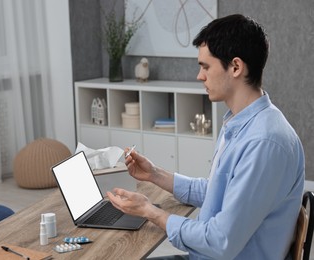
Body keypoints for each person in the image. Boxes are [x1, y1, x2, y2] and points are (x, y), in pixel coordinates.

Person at [107, 14, 305, 260]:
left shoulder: (263, 143)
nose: (200, 76)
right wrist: (154, 175)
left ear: (235, 67)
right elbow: (217, 193)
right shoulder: (239, 122)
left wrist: (150, 211)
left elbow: (220, 241)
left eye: (205, 66)